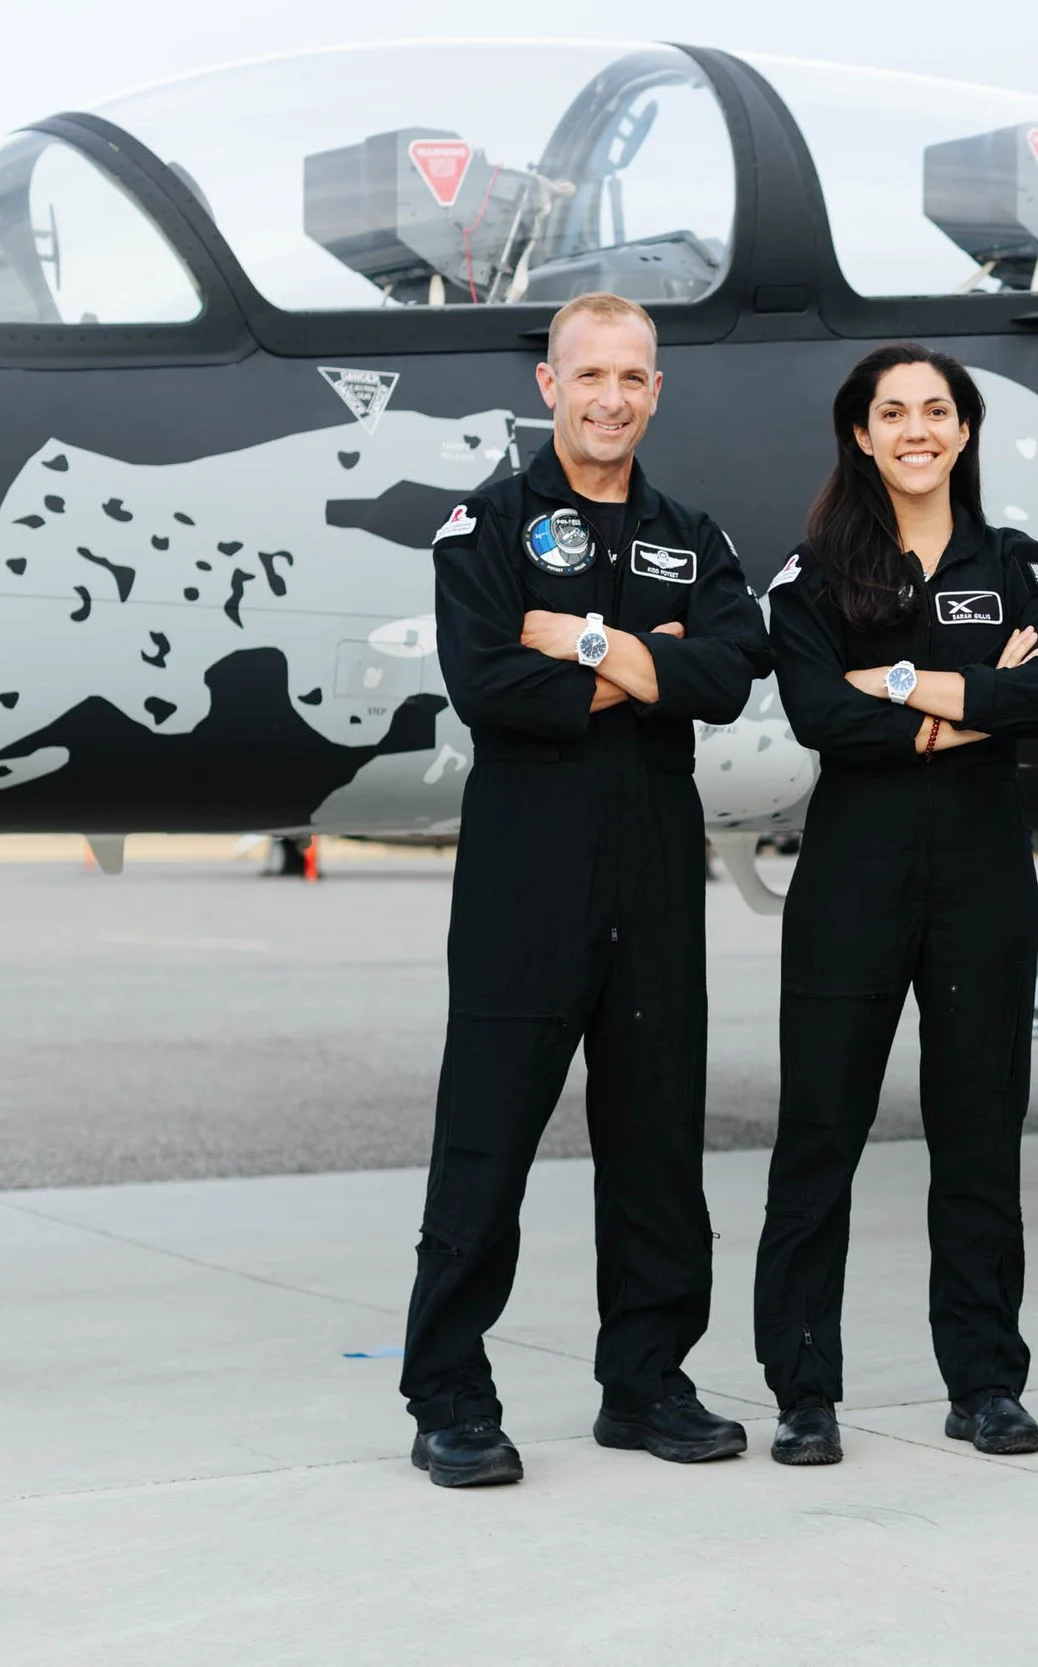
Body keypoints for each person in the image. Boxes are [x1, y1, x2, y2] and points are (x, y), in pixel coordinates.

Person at [400, 292, 774, 1488]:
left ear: (655, 391)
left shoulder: (691, 533)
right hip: (529, 865)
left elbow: (725, 670)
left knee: (658, 1132)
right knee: (489, 1132)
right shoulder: (487, 524)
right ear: (548, 386)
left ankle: (647, 1379)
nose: (612, 395)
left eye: (633, 376)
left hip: (657, 863)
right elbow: (487, 680)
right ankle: (450, 1390)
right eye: (589, 374)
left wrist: (584, 641)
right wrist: (644, 660)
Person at [754, 343, 1038, 1466]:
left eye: (935, 410)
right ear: (860, 432)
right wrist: (962, 702)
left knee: (979, 1134)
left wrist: (893, 685)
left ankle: (986, 1378)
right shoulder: (814, 572)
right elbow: (812, 708)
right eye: (891, 411)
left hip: (982, 869)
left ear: (962, 430)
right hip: (855, 867)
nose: (914, 429)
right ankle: (804, 1389)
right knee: (819, 1135)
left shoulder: (1017, 559)